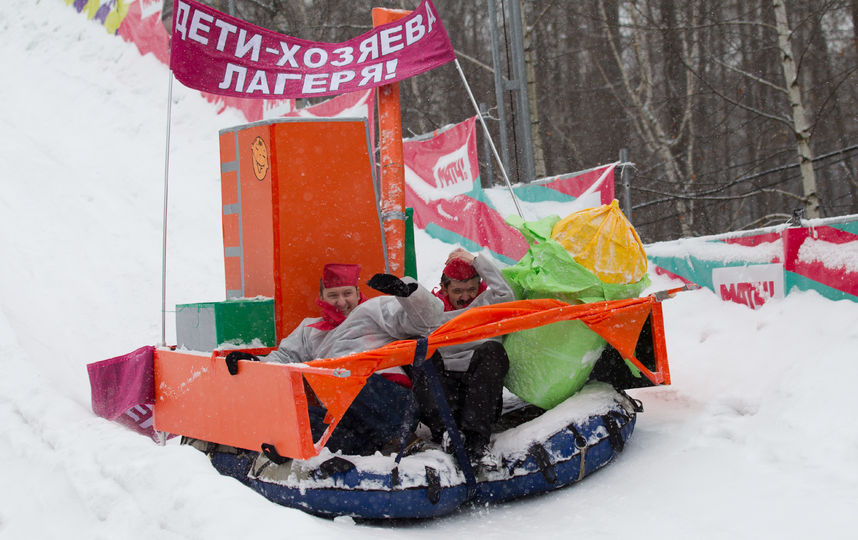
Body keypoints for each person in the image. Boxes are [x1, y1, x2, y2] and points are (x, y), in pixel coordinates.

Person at [258, 263, 443, 456]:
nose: (341, 301)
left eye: (347, 293)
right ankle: (366, 449)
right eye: (333, 295)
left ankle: (400, 436)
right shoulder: (309, 331)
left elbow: (428, 321)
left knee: (343, 378)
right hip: (348, 417)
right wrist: (250, 363)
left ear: (357, 292)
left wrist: (409, 294)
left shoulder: (374, 310)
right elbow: (280, 360)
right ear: (321, 297)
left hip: (391, 402)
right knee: (296, 417)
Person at [409, 248, 515, 466]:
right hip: (444, 393)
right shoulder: (433, 311)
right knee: (421, 352)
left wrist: (476, 261)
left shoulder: (487, 301)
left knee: (493, 351)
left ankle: (477, 441)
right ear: (445, 289)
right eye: (458, 291)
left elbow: (508, 295)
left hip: (480, 394)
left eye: (471, 289)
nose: (465, 297)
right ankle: (447, 433)